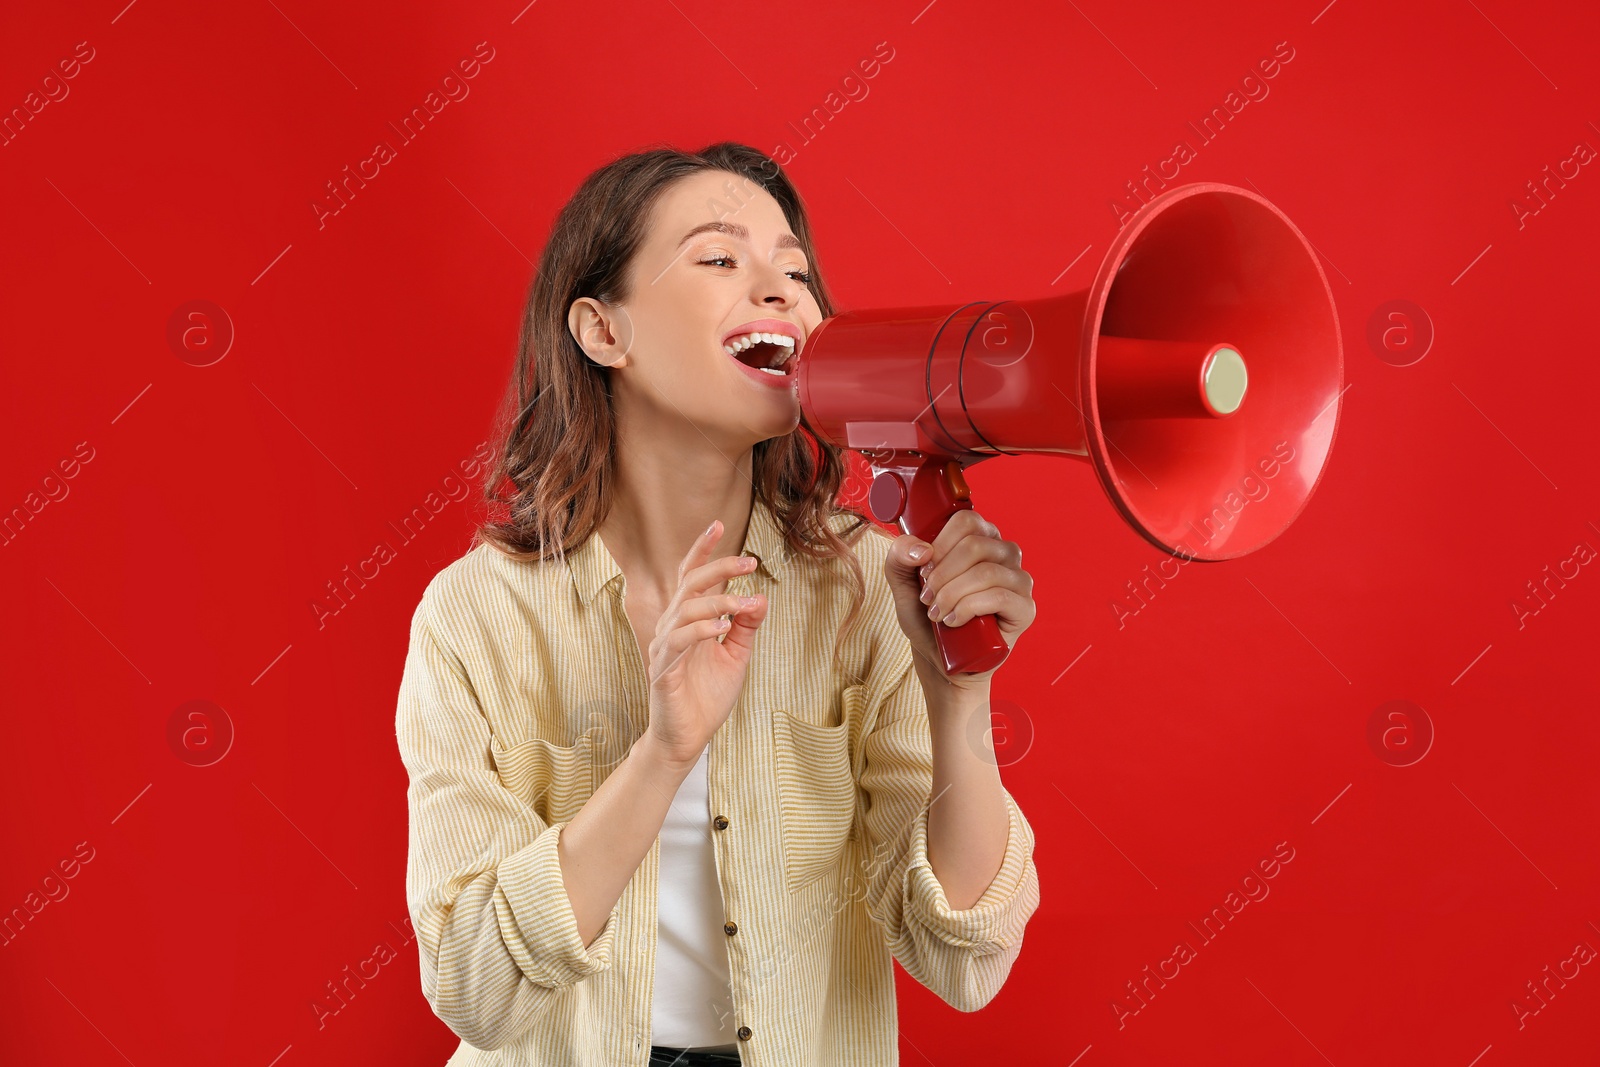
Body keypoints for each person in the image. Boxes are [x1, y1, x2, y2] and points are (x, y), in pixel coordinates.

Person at [395, 141, 1042, 1066]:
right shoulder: (478, 617)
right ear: (601, 330)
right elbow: (474, 989)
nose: (782, 290)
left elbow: (965, 961)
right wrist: (662, 752)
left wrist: (959, 698)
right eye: (718, 257)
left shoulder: (863, 590)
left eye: (795, 268)